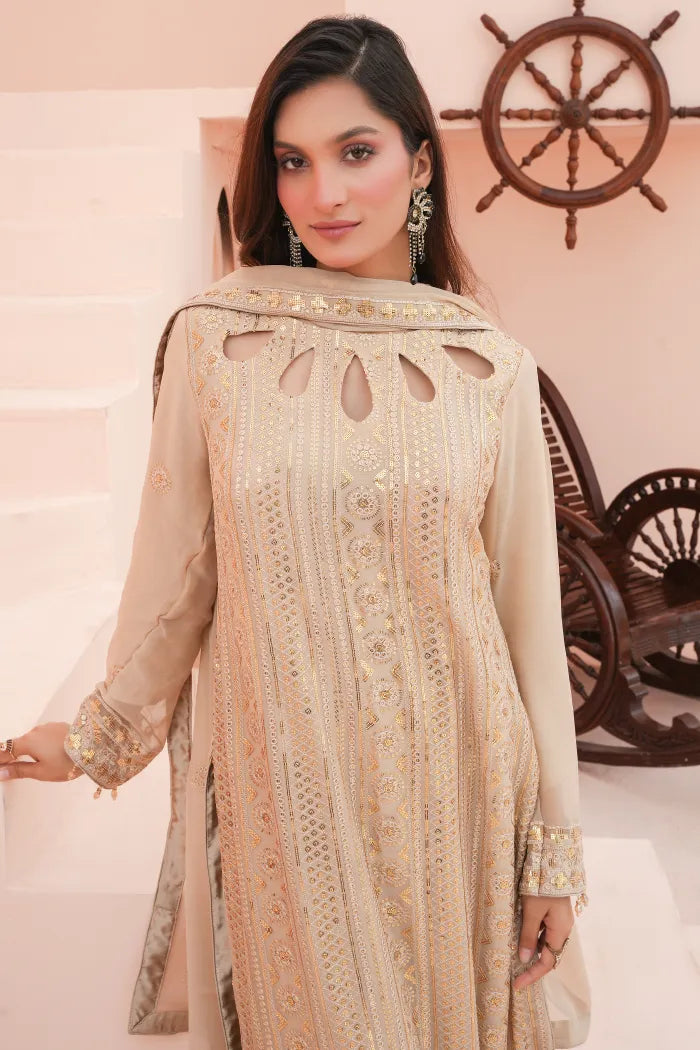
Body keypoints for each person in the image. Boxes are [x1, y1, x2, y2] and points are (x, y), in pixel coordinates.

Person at [0, 14, 591, 1050]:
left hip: (458, 783)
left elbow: (526, 629)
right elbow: (180, 572)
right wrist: (96, 736)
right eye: (292, 161)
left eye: (356, 152)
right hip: (285, 783)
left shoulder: (488, 364)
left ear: (418, 163)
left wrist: (552, 850)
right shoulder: (216, 342)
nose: (324, 193)